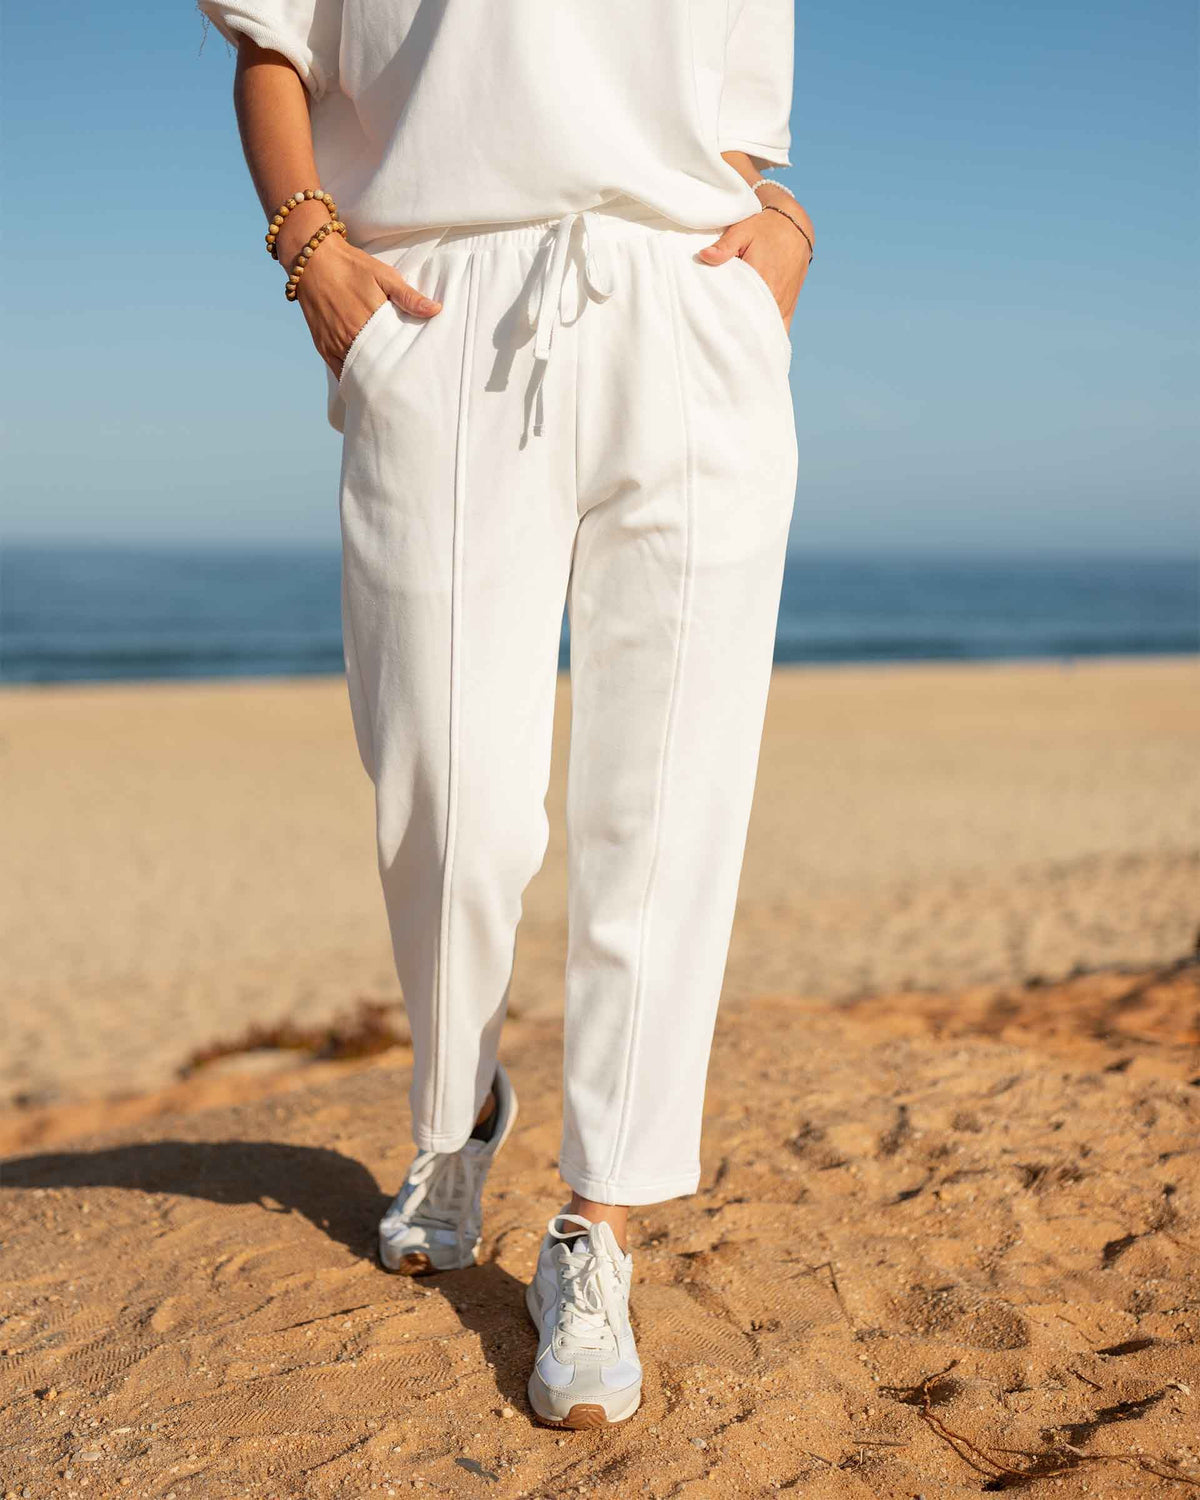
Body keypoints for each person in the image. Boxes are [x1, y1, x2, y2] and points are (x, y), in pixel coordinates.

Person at [198, 0, 812, 1429]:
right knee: (453, 798)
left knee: (665, 808)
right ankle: (460, 1107)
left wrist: (785, 234)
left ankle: (598, 1224)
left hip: (689, 299)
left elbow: (726, 122)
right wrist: (312, 253)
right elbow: (273, 45)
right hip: (442, 308)